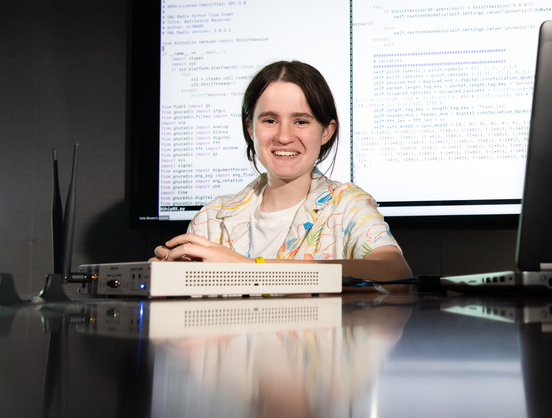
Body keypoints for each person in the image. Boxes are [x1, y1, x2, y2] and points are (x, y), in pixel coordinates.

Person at [154, 61, 412, 283]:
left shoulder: (348, 206)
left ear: (326, 131)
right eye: (269, 120)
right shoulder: (211, 220)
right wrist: (168, 278)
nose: (284, 136)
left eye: (301, 121)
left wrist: (249, 269)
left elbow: (395, 272)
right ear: (250, 129)